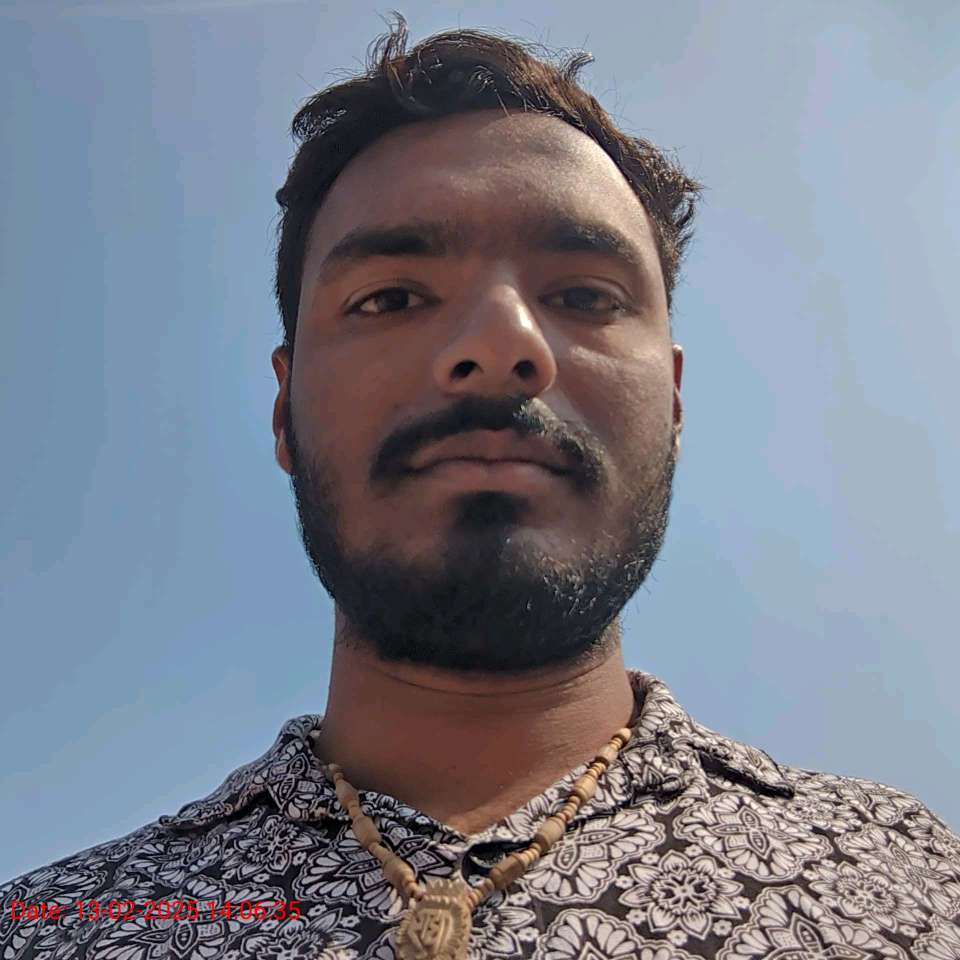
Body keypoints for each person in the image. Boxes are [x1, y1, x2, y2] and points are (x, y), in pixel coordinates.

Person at [4, 15, 959, 960]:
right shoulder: (56, 929)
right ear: (285, 409)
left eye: (583, 296)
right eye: (391, 298)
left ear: (672, 403)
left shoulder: (914, 888)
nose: (501, 345)